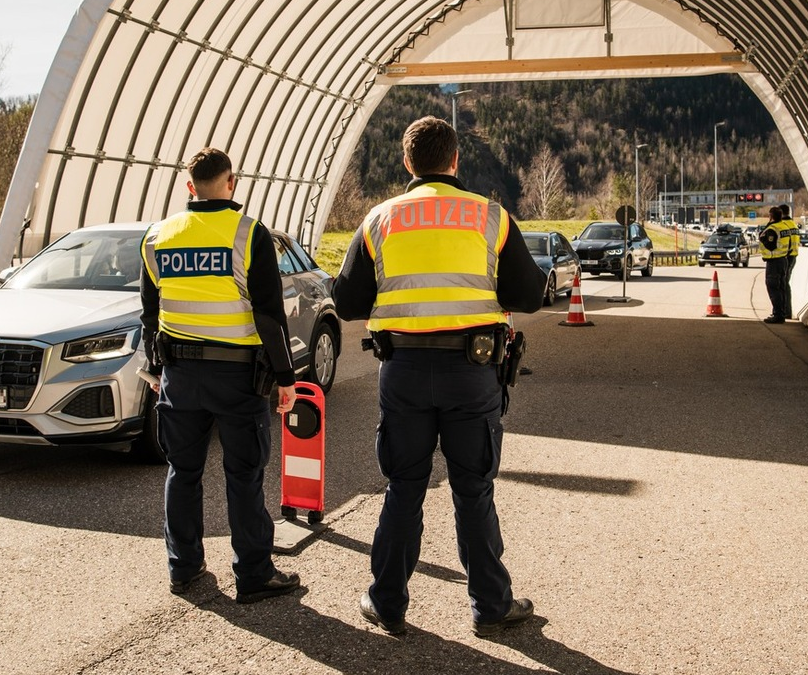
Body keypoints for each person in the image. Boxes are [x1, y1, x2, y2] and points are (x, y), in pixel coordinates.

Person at [331, 116, 547, 637]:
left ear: (408, 163)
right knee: (473, 490)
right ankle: (491, 608)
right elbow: (531, 295)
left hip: (402, 371)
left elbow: (345, 301)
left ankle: (386, 603)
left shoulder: (379, 218)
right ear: (455, 161)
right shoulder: (489, 217)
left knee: (403, 487)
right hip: (472, 374)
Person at [139, 147, 301, 604]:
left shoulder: (157, 236)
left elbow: (150, 316)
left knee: (182, 472)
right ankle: (253, 574)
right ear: (232, 183)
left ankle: (183, 569)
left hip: (179, 376)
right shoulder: (249, 235)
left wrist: (155, 369)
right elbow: (270, 316)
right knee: (244, 475)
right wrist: (286, 378)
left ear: (189, 187)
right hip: (237, 377)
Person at [759, 206, 793, 323]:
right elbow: (789, 245)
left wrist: (763, 238)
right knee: (781, 287)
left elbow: (770, 245)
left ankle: (778, 315)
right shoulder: (785, 227)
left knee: (773, 287)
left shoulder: (772, 229)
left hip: (774, 261)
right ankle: (781, 313)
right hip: (784, 260)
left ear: (771, 216)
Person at [778, 203, 801, 318]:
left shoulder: (783, 225)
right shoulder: (794, 225)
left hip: (784, 257)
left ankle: (784, 311)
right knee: (785, 283)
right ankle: (787, 311)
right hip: (793, 256)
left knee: (782, 284)